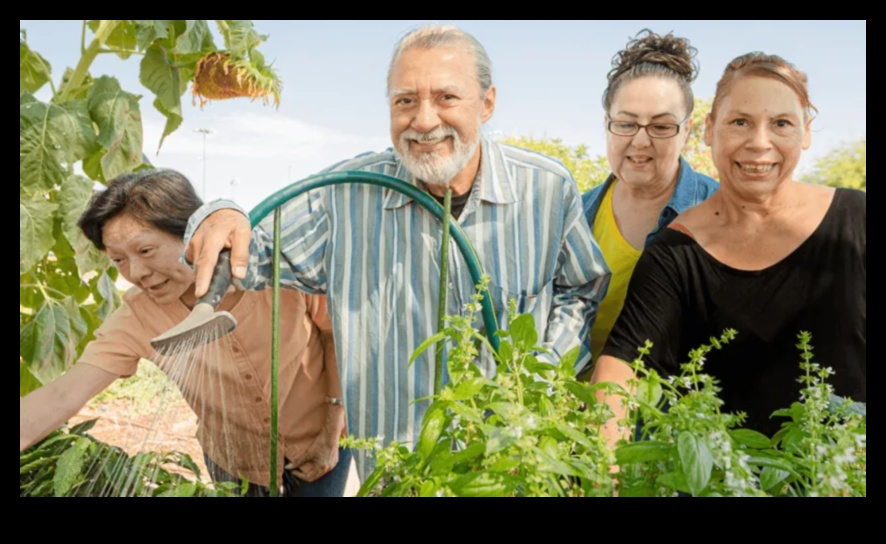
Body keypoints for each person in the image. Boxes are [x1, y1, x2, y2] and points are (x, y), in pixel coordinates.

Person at [183, 24, 611, 476]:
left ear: (486, 103)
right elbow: (253, 252)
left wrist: (541, 371)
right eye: (405, 101)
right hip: (394, 470)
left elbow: (580, 289)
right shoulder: (349, 194)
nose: (424, 120)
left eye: (446, 97)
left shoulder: (545, 187)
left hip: (506, 463)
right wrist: (219, 214)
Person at [19, 169, 351, 497]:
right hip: (235, 461)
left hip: (321, 441)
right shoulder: (137, 315)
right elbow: (64, 394)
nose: (136, 273)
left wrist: (331, 431)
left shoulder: (276, 271)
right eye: (118, 260)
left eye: (146, 251)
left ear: (193, 235)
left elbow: (337, 337)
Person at [591, 52, 866, 443]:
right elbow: (622, 367)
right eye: (740, 122)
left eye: (781, 124)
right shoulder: (676, 250)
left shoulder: (857, 218)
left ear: (805, 132)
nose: (759, 143)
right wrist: (606, 468)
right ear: (709, 130)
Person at [582, 29, 719, 367]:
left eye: (661, 127)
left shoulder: (720, 210)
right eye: (627, 124)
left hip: (674, 412)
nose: (640, 142)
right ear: (607, 124)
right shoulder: (575, 212)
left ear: (686, 131)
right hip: (572, 406)